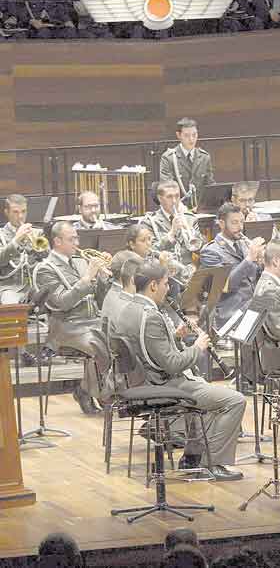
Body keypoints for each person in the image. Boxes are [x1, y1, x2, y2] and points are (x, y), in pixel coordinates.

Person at [115, 261, 246, 480]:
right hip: (161, 385)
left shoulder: (128, 309)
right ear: (153, 285)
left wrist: (174, 337)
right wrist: (197, 348)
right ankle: (211, 464)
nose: (169, 288)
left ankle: (192, 458)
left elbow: (147, 348)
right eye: (166, 283)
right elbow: (173, 364)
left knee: (206, 392)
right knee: (234, 400)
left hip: (141, 381)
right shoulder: (151, 315)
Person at [31, 221, 112, 414]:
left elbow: (100, 299)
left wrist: (102, 277)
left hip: (93, 322)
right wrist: (87, 278)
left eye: (77, 237)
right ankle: (104, 395)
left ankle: (86, 389)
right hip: (67, 327)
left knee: (122, 339)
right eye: (72, 238)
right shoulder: (45, 269)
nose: (77, 242)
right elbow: (60, 303)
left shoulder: (80, 261)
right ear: (57, 241)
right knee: (99, 346)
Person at [198, 203, 265, 329]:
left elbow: (255, 277)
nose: (240, 227)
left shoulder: (244, 245)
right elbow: (224, 285)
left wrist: (262, 262)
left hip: (252, 310)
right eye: (234, 223)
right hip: (230, 315)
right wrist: (249, 258)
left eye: (242, 222)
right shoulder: (210, 252)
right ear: (222, 224)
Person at [145, 181, 203, 274]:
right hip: (163, 273)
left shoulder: (190, 218)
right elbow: (150, 252)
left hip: (188, 272)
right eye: (169, 197)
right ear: (160, 198)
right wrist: (171, 233)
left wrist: (190, 230)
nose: (174, 201)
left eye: (177, 196)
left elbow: (200, 249)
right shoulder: (150, 222)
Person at [158, 118, 214, 209]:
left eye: (194, 135)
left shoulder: (204, 157)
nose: (191, 139)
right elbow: (167, 187)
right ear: (179, 135)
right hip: (177, 209)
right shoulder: (169, 158)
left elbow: (210, 186)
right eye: (187, 135)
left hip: (200, 209)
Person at [0, 194, 39, 305]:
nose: (20, 216)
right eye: (15, 212)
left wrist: (37, 247)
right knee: (11, 303)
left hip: (34, 286)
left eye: (23, 211)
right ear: (7, 212)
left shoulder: (37, 233)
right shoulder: (1, 234)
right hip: (10, 288)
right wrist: (16, 240)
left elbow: (47, 259)